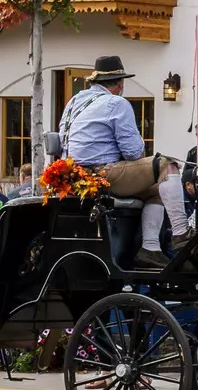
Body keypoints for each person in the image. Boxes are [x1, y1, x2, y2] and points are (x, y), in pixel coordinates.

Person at [65, 54, 187, 268]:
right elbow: (133, 152)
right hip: (103, 173)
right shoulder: (116, 103)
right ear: (120, 84)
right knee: (168, 165)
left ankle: (150, 248)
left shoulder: (75, 101)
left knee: (158, 189)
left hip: (75, 176)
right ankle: (181, 232)